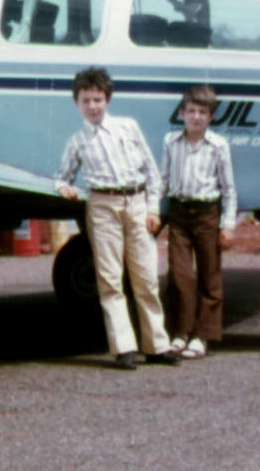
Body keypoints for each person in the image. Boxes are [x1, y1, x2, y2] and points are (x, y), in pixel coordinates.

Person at [55, 67, 180, 370]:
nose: (93, 106)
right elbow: (62, 176)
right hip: (102, 206)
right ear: (76, 104)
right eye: (86, 100)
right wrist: (64, 187)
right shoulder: (77, 141)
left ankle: (157, 345)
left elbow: (152, 171)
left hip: (136, 202)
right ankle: (124, 347)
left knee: (146, 277)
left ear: (107, 100)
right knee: (110, 279)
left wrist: (152, 209)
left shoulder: (128, 127)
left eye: (97, 99)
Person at [161, 85, 237, 359]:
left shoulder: (218, 146)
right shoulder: (171, 142)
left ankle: (202, 336)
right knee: (179, 276)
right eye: (190, 111)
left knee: (209, 276)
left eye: (202, 112)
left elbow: (228, 189)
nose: (195, 117)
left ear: (211, 117)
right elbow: (163, 180)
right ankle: (181, 332)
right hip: (179, 214)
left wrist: (227, 225)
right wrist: (149, 208)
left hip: (207, 215)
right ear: (181, 113)